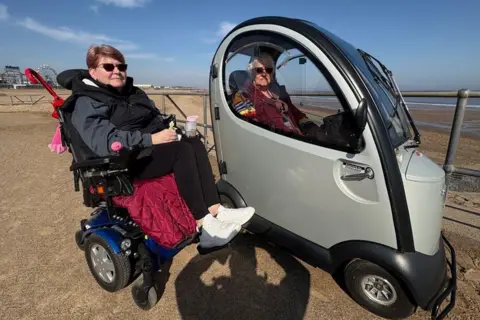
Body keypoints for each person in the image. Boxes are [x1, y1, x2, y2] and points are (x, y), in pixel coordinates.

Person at [69, 44, 255, 249]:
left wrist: (171, 129)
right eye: (109, 67)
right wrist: (151, 139)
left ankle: (215, 208)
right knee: (181, 151)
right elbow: (105, 141)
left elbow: (154, 116)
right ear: (93, 71)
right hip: (122, 163)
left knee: (192, 141)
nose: (117, 71)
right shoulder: (87, 102)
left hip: (146, 151)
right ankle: (204, 225)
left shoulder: (132, 93)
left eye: (121, 67)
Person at [232, 53, 321, 137]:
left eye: (268, 70)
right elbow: (251, 129)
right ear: (252, 73)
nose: (264, 73)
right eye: (259, 70)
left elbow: (298, 115)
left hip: (298, 139)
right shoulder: (243, 96)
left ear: (272, 73)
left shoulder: (279, 93)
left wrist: (312, 129)